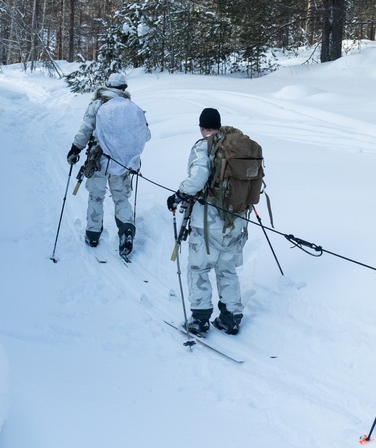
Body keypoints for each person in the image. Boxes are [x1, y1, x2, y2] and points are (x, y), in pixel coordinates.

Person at [167, 108, 248, 336]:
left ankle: (200, 319)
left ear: (202, 127)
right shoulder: (236, 145)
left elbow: (198, 178)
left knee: (199, 267)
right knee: (227, 268)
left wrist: (179, 195)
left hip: (208, 221)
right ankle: (230, 318)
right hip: (237, 219)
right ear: (219, 125)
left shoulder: (204, 145)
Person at [67, 72, 150, 257]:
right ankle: (127, 230)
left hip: (99, 159)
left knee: (96, 196)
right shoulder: (133, 108)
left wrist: (75, 149)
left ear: (107, 85)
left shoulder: (97, 104)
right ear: (124, 88)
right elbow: (146, 135)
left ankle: (93, 234)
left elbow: (86, 129)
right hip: (123, 161)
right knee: (121, 198)